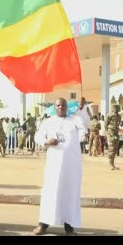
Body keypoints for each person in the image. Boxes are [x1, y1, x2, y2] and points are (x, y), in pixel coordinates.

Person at [33, 97, 86, 236]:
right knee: (50, 192)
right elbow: (37, 136)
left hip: (71, 165)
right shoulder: (48, 122)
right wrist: (46, 141)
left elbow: (84, 129)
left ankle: (69, 227)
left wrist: (81, 109)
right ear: (54, 107)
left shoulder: (75, 120)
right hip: (54, 165)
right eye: (58, 105)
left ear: (66, 107)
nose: (60, 107)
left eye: (63, 105)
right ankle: (43, 224)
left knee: (70, 193)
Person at [106, 105, 121, 170]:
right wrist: (107, 133)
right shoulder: (110, 115)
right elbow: (105, 124)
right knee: (111, 148)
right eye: (116, 108)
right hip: (111, 132)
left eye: (118, 108)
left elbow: (119, 123)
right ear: (113, 108)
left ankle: (113, 164)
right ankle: (110, 164)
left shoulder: (119, 116)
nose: (118, 109)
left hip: (116, 132)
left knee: (115, 148)